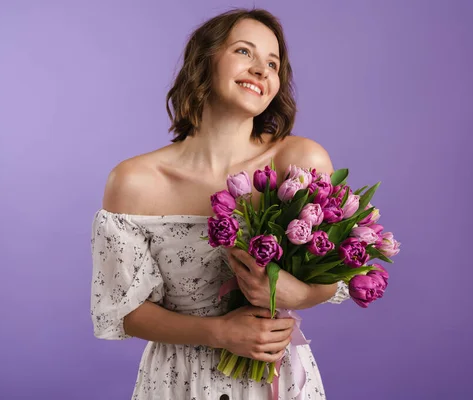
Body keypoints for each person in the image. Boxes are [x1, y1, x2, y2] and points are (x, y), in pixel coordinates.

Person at [90, 8, 350, 400]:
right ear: (204, 60)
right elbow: (125, 310)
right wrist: (221, 333)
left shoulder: (299, 163)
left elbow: (332, 276)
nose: (262, 69)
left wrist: (295, 293)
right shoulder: (133, 182)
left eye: (273, 63)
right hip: (176, 381)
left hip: (275, 376)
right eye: (245, 52)